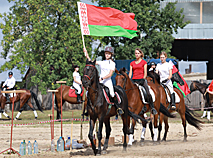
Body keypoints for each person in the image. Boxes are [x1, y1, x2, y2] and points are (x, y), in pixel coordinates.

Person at [83, 46, 124, 115]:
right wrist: (86, 53)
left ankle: (118, 107)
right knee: (88, 93)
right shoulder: (102, 62)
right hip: (100, 81)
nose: (107, 55)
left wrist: (102, 78)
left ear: (111, 55)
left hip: (107, 81)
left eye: (109, 54)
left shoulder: (112, 63)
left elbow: (110, 74)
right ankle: (89, 108)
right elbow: (91, 62)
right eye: (106, 53)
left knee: (112, 93)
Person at [129, 48, 157, 115]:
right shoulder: (132, 63)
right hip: (134, 80)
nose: (137, 55)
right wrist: (129, 79)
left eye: (138, 53)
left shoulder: (144, 62)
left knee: (148, 92)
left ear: (141, 54)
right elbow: (130, 73)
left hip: (141, 80)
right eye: (136, 53)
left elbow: (145, 73)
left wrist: (143, 79)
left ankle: (152, 107)